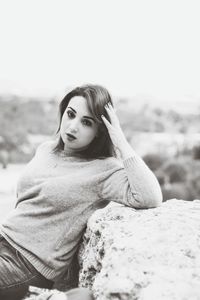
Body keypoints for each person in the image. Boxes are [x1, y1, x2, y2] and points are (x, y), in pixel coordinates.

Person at [0, 84, 163, 300]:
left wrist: (121, 141)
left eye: (87, 122)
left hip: (27, 266)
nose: (73, 126)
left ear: (99, 132)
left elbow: (150, 196)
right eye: (71, 114)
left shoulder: (104, 169)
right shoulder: (46, 150)